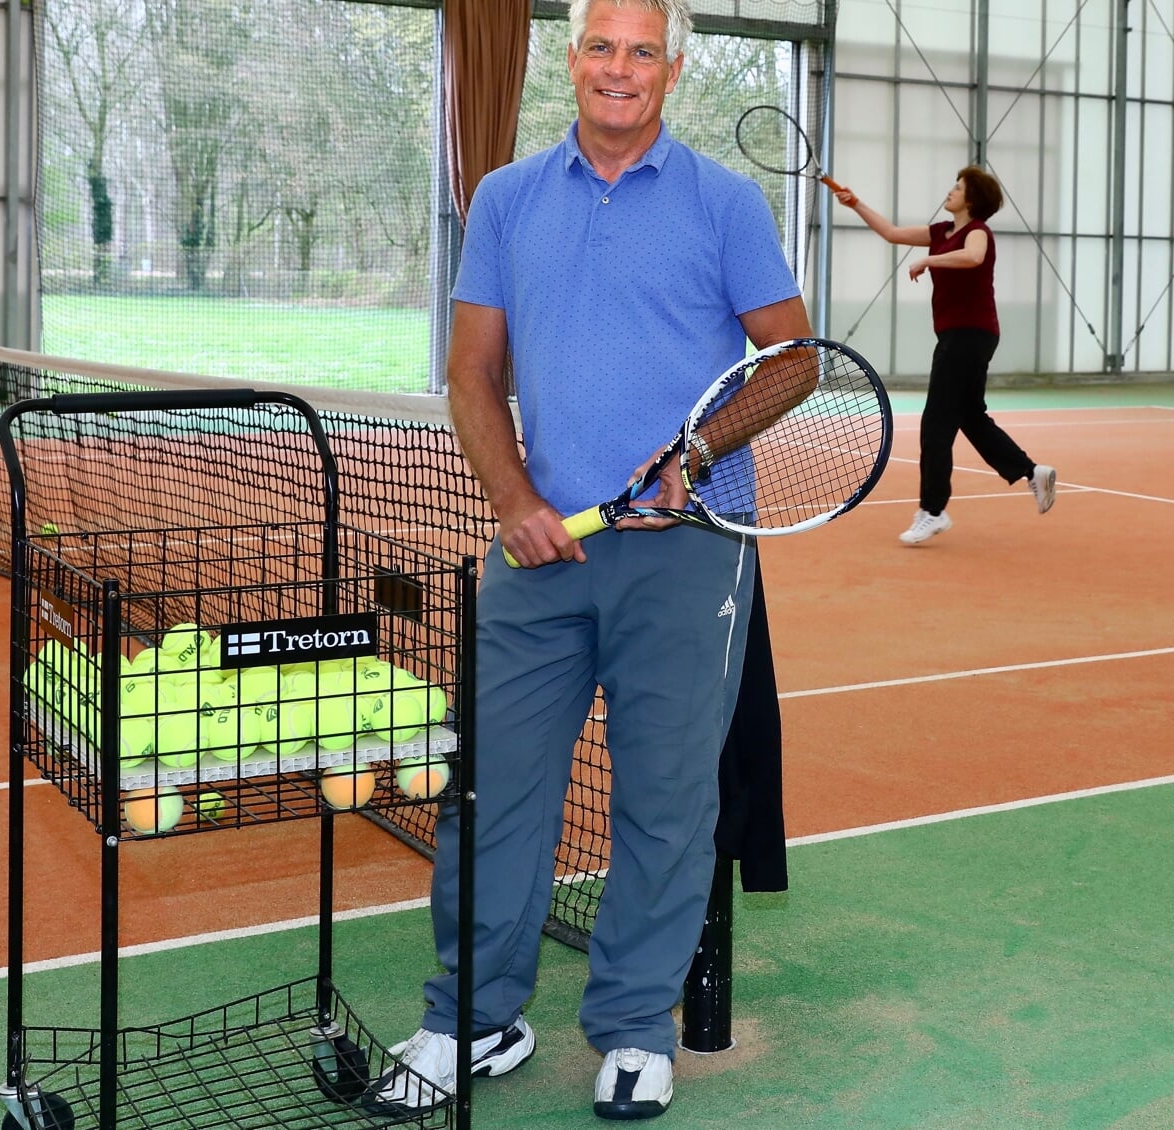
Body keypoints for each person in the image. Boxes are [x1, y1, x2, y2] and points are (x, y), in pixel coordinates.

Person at [366, 0, 810, 1120]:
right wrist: (515, 502)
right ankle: (473, 1013)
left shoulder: (720, 201)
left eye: (642, 50)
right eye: (601, 46)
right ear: (570, 60)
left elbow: (795, 360)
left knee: (664, 800)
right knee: (491, 794)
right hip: (539, 555)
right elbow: (472, 374)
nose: (620, 68)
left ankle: (628, 1026)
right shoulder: (508, 199)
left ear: (671, 68)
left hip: (688, 553)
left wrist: (698, 451)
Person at [833, 167, 1057, 545]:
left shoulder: (978, 233)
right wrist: (856, 204)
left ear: (971, 200)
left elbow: (972, 258)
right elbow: (891, 233)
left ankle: (933, 511)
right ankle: (1031, 471)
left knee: (936, 422)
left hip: (970, 336)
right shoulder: (940, 232)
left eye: (958, 187)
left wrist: (929, 261)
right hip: (959, 336)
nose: (950, 191)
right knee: (970, 416)